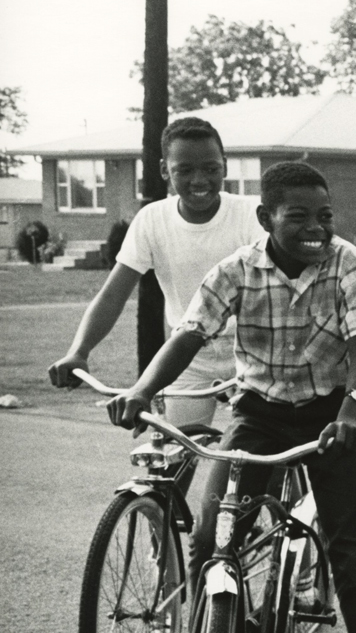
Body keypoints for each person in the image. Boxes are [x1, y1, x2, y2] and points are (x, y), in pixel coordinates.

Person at [105, 161, 356, 633]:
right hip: (260, 415)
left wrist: (352, 413)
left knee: (355, 557)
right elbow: (190, 334)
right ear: (265, 218)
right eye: (297, 216)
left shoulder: (346, 262)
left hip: (331, 418)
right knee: (210, 540)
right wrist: (144, 389)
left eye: (324, 216)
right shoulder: (237, 271)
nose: (315, 228)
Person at [50, 116, 265, 574]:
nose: (200, 180)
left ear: (225, 165)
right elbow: (114, 292)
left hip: (253, 357)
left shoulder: (251, 215)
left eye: (210, 167)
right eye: (185, 170)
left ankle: (290, 558)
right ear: (166, 172)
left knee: (261, 463)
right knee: (170, 466)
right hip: (187, 357)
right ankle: (167, 563)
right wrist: (79, 351)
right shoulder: (153, 220)